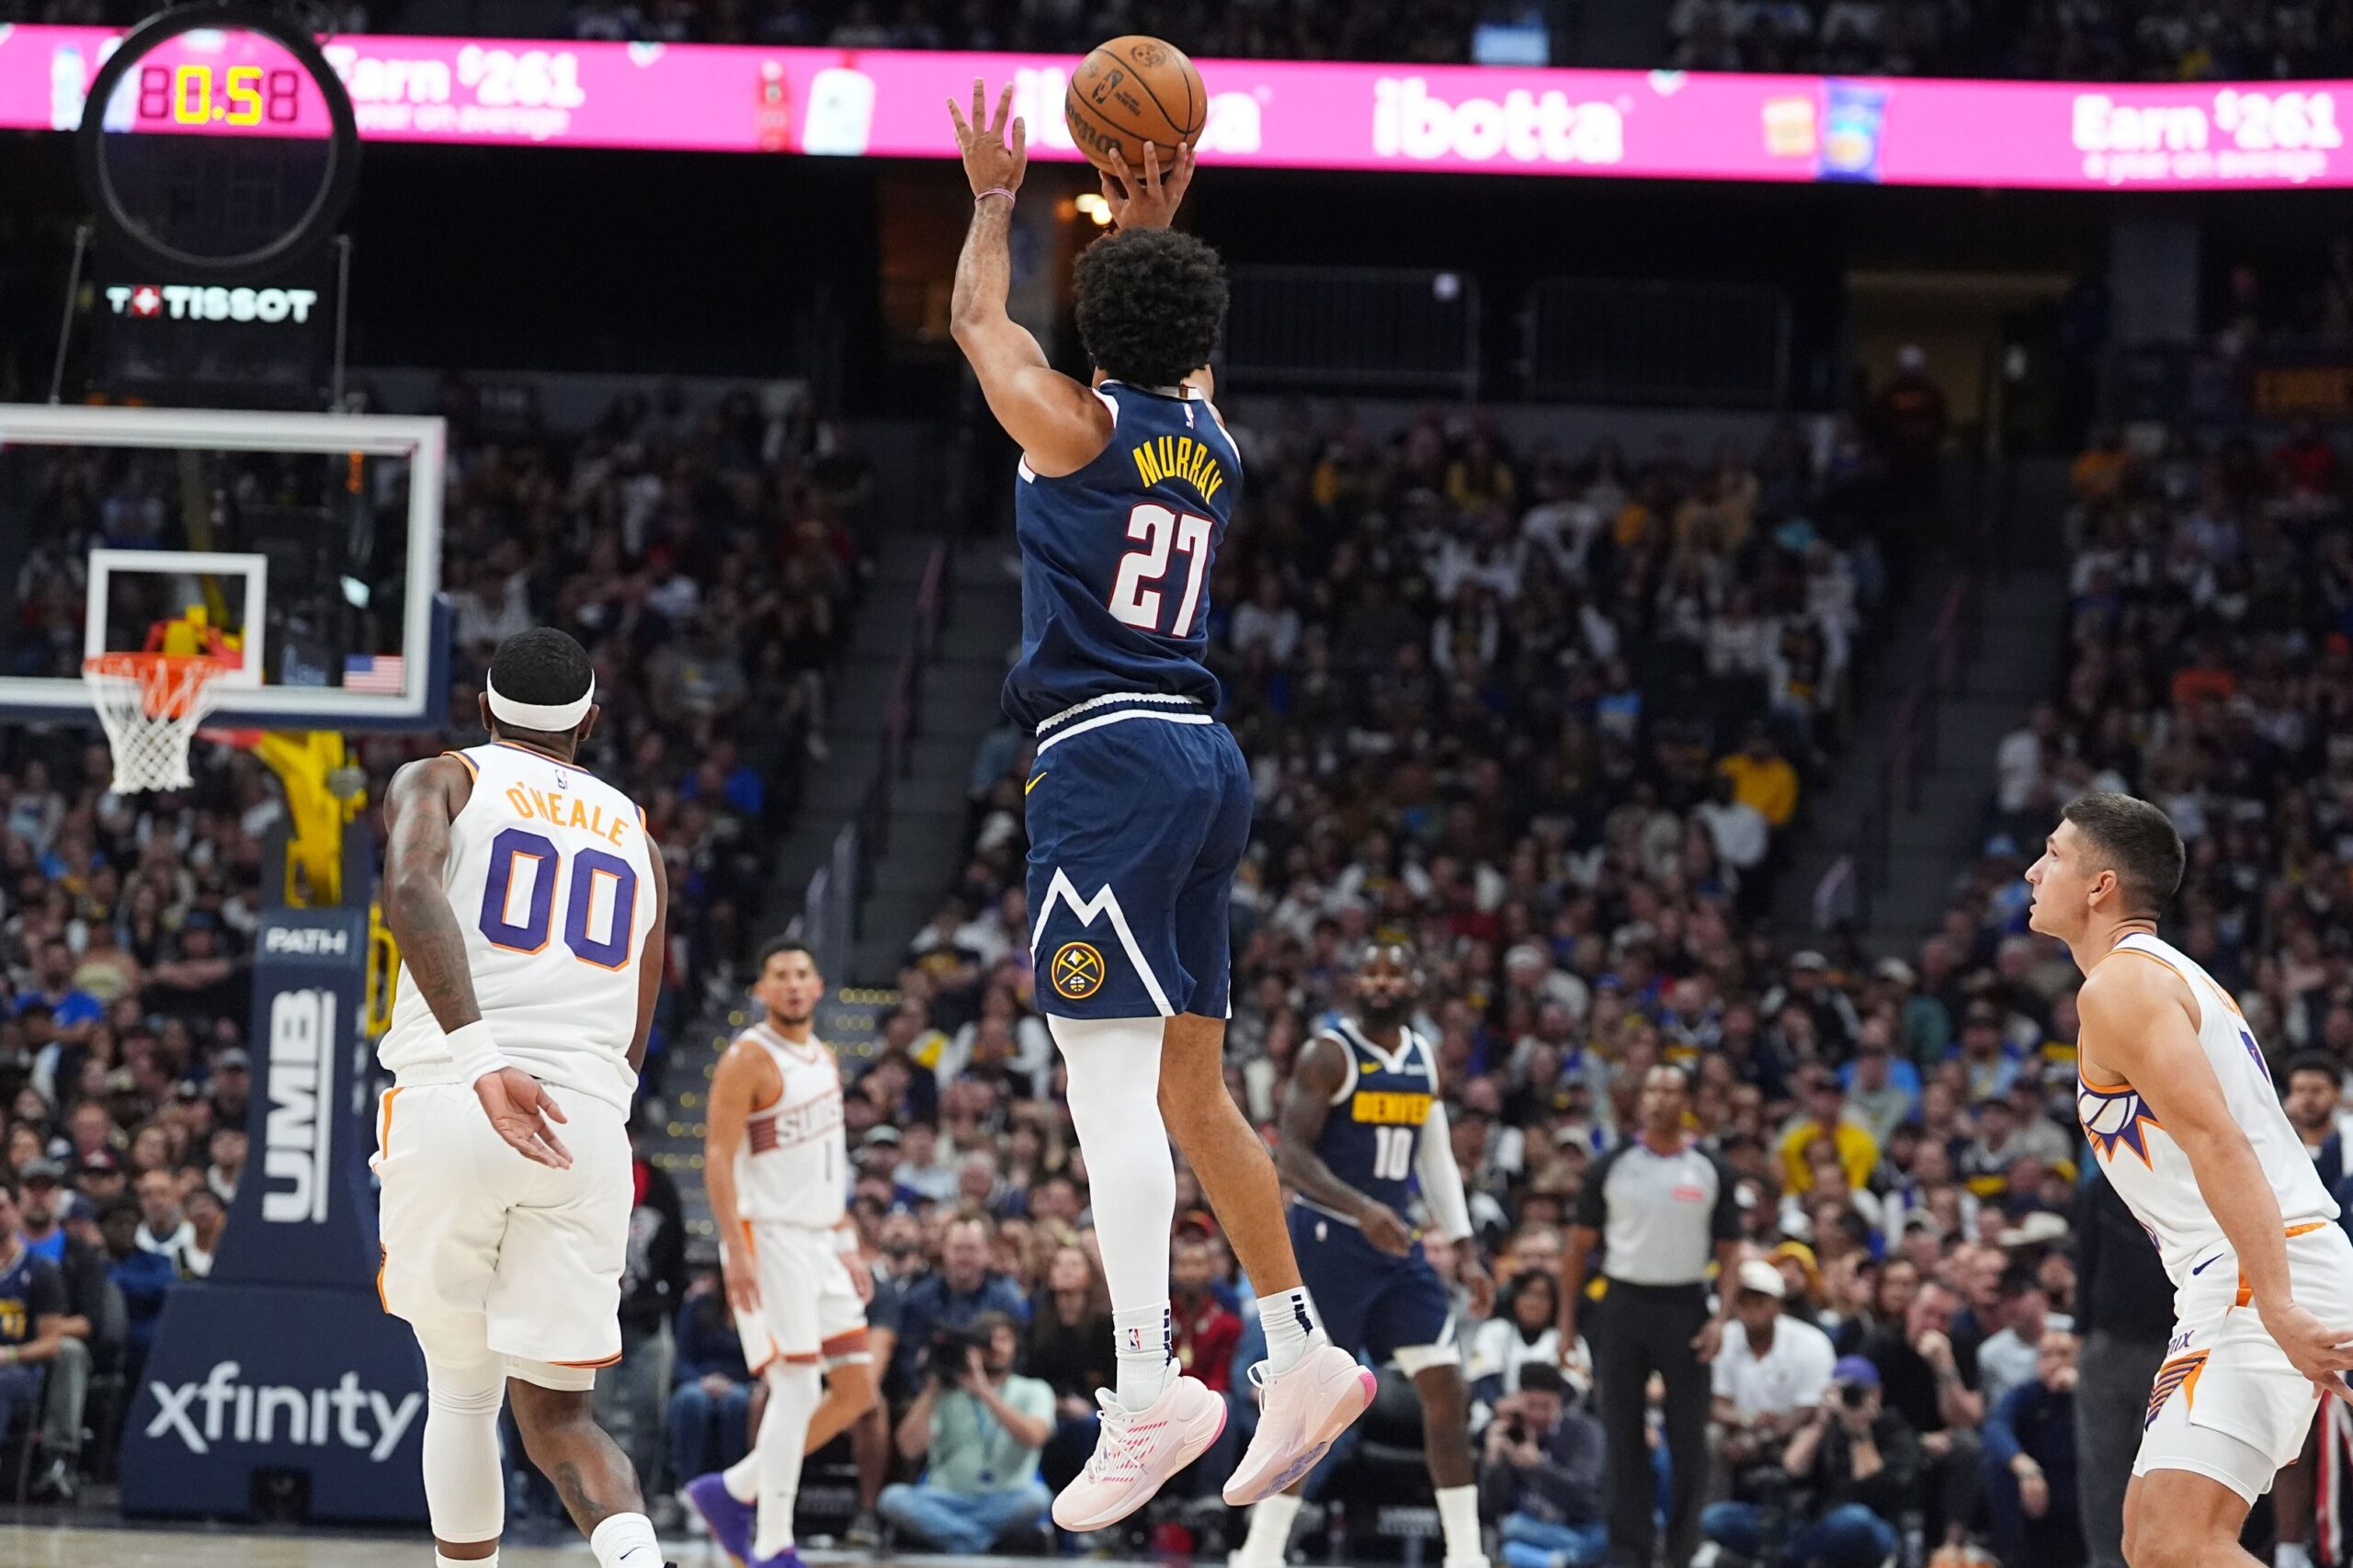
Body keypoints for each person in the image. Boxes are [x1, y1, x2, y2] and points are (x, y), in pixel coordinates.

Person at [945, 79, 1367, 1528]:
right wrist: (1152, 232)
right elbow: (1175, 350)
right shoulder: (1213, 442)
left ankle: (1148, 1388)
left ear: (1095, 327)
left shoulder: (1067, 425)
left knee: (1105, 1086)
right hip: (1203, 756)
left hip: (1107, 761)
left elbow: (978, 321)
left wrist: (996, 200)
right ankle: (1299, 1350)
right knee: (1193, 1088)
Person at [373, 627, 672, 1568]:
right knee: (562, 1417)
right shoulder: (638, 835)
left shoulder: (445, 778)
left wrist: (479, 1056)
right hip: (583, 1121)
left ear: (483, 708)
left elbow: (410, 889)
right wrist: (595, 1109)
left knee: (463, 1392)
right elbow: (638, 1013)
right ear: (591, 720)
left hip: (460, 1092)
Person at [2025, 791, 2353, 1568]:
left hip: (2258, 1268)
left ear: (2101, 885)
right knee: (2148, 1541)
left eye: (2055, 854)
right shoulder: (2165, 977)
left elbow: (2218, 1140)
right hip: (2238, 1272)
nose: (2035, 871)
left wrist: (2276, 1302)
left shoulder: (2121, 986)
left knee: (2178, 1542)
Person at [1236, 944, 1490, 1568]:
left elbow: (1435, 1159)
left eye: (1393, 974)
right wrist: (1362, 1208)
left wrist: (1465, 1250)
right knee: (1311, 1405)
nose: (1381, 983)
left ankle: (1466, 1554)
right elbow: (1290, 1155)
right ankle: (1260, 1551)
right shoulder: (1329, 1054)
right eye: (1371, 972)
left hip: (1394, 1246)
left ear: (1415, 983)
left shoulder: (1422, 1055)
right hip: (1329, 1244)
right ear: (1354, 983)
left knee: (1447, 1390)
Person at [686, 938, 879, 1568]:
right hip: (768, 1236)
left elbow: (828, 1164)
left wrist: (847, 1242)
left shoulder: (824, 1057)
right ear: (762, 989)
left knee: (855, 1389)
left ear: (818, 986)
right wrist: (733, 1250)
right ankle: (774, 1543)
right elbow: (717, 1156)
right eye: (780, 975)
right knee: (794, 1387)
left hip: (821, 1238)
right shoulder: (748, 1057)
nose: (793, 984)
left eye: (802, 973)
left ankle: (732, 1490)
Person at [1560, 1064, 1741, 1568]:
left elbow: (1731, 1251)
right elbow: (1577, 1249)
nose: (1660, 1098)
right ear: (1640, 1100)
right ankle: (1628, 1552)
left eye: (1671, 1090)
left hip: (1687, 1305)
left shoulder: (1711, 1168)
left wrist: (1721, 1318)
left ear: (1687, 1101)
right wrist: (1566, 1325)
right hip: (1623, 1303)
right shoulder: (1613, 1165)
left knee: (1690, 1439)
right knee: (1622, 1434)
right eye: (1652, 1089)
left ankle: (1683, 1552)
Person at [1701, 1355, 1919, 1568]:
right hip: (1815, 1524)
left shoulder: (1893, 1428)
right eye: (1843, 1392)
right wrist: (1820, 1423)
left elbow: (1872, 1485)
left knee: (1855, 1520)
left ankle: (1787, 1557)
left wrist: (1859, 1430)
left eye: (1856, 1392)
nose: (1849, 1399)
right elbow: (1792, 1469)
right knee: (1717, 1518)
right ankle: (1794, 1555)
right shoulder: (1826, 1427)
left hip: (1871, 1524)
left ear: (1877, 1393)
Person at [880, 1310, 1055, 1552]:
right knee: (893, 1499)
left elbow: (1034, 1437)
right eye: (987, 1341)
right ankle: (982, 1544)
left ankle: (952, 1537)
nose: (995, 1348)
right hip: (945, 1498)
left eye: (1003, 1340)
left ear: (1016, 1347)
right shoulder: (945, 1393)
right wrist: (933, 1387)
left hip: (1005, 1498)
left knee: (1037, 1499)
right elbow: (908, 1448)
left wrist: (984, 1391)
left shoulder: (1033, 1390)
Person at [1479, 1362, 1608, 1568]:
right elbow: (1490, 1510)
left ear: (1559, 1402)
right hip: (1531, 1531)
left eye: (1546, 1407)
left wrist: (1539, 1466)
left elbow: (1588, 1498)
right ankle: (1560, 1562)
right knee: (1511, 1533)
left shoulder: (1585, 1431)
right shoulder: (1510, 1433)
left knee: (1606, 1534)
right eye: (1531, 1406)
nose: (1538, 1415)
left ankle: (1559, 1561)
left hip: (1578, 1529)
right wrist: (1494, 1461)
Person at [1984, 1329, 2084, 1568]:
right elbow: (1996, 1427)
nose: (2055, 1362)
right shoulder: (2026, 1394)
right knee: (1995, 1465)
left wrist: (2083, 1391)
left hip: (2082, 1485)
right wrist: (2025, 1467)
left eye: (2064, 1354)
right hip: (2038, 1486)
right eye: (2047, 1355)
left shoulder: (2094, 1396)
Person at [0, 1178, 71, 1472]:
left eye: (1, 1208)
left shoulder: (41, 1271)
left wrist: (8, 1355)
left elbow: (51, 1344)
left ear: (16, 1212)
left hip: (19, 1367)